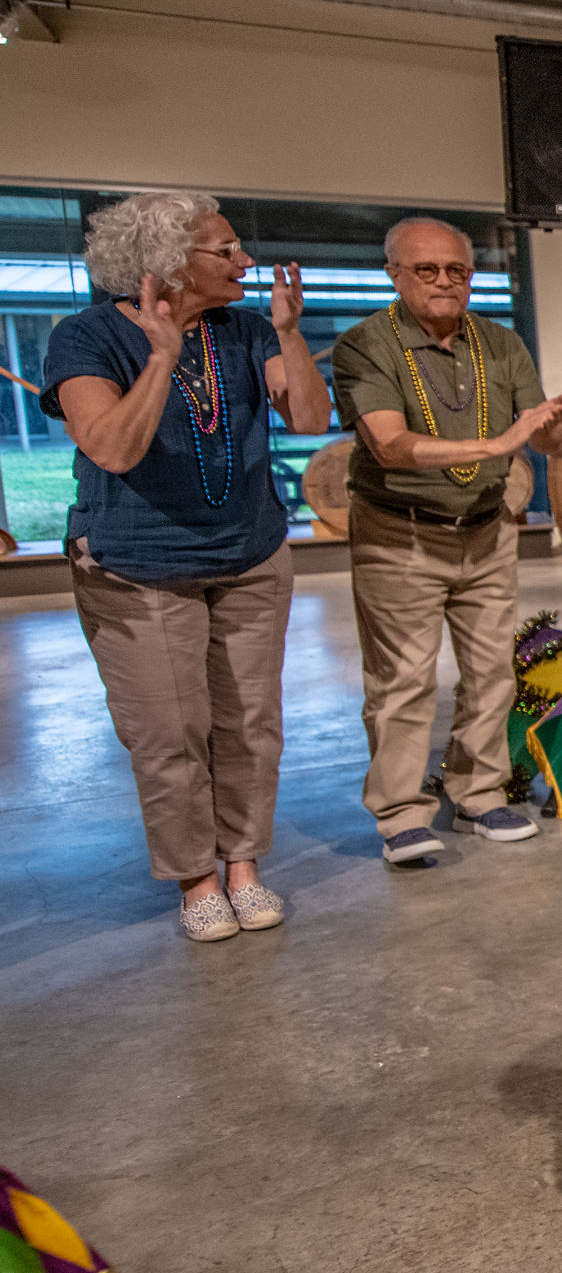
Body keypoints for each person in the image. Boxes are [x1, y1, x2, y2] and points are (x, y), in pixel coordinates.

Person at [44, 191, 331, 941]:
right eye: (227, 250)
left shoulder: (243, 330)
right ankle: (196, 877)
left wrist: (289, 336)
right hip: (137, 568)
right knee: (170, 734)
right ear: (167, 266)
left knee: (251, 725)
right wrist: (161, 358)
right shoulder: (84, 338)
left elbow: (307, 418)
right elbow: (110, 446)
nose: (246, 262)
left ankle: (242, 865)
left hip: (250, 554)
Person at [331, 217, 562, 865]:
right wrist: (495, 446)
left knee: (492, 674)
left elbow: (537, 432)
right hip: (398, 534)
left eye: (457, 271)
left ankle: (479, 793)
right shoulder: (365, 345)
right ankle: (402, 814)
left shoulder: (500, 342)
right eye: (426, 270)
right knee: (402, 680)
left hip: (486, 530)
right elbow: (388, 443)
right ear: (394, 274)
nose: (444, 282)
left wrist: (548, 433)